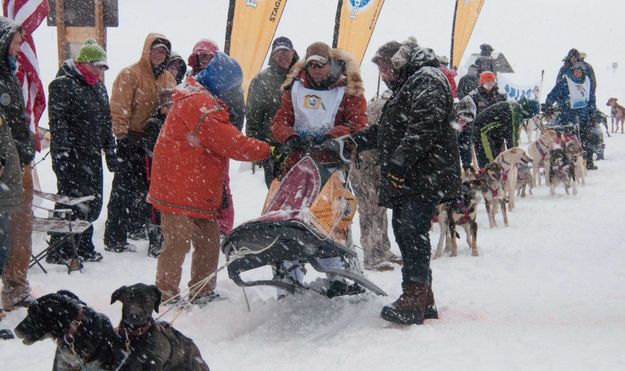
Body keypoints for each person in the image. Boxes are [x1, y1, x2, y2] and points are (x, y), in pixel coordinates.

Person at [148, 52, 281, 303]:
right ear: (221, 82)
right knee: (177, 244)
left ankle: (202, 291)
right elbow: (232, 143)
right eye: (231, 86)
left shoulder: (199, 98)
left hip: (194, 187)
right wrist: (268, 150)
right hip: (179, 186)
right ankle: (165, 295)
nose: (233, 92)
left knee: (208, 241)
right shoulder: (200, 105)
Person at [352, 38, 461, 325]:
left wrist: (399, 164)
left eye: (385, 69)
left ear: (398, 62)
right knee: (406, 232)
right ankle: (424, 298)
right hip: (414, 175)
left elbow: (423, 128)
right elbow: (389, 129)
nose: (384, 77)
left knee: (412, 233)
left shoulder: (427, 79)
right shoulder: (409, 84)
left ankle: (413, 299)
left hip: (424, 174)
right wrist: (352, 142)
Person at [271, 41, 368, 297]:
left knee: (330, 218)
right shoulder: (295, 88)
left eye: (320, 65)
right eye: (311, 65)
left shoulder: (347, 89)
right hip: (298, 163)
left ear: (330, 64)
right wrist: (289, 136)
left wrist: (332, 135)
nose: (315, 70)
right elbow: (280, 120)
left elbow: (359, 122)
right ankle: (288, 271)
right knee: (290, 216)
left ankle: (339, 272)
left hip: (331, 162)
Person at [105, 33, 176, 252]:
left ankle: (138, 228)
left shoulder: (168, 79)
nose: (159, 54)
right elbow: (119, 107)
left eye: (163, 51)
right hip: (132, 138)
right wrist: (122, 136)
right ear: (147, 51)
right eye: (155, 50)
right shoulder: (130, 74)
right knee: (122, 191)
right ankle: (114, 238)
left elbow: (174, 107)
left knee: (149, 191)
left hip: (157, 142)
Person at [46, 39, 115, 264]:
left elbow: (106, 122)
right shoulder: (62, 85)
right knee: (71, 203)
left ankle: (83, 245)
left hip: (92, 155)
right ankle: (60, 249)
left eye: (102, 67)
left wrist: (110, 148)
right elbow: (59, 123)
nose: (99, 71)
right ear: (81, 63)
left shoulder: (99, 87)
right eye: (96, 66)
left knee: (91, 203)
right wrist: (63, 154)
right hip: (71, 155)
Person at [188, 39, 243, 235]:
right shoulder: (190, 81)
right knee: (194, 184)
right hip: (194, 145)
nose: (205, 61)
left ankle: (223, 226)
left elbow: (237, 114)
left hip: (218, 144)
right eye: (202, 56)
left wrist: (225, 136)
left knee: (221, 185)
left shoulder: (228, 84)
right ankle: (197, 224)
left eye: (209, 57)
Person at [0, 16, 36, 312]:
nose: (19, 45)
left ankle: (17, 287)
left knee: (21, 229)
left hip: (19, 163)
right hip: (3, 167)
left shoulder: (9, 74)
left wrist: (25, 150)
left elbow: (17, 120)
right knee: (3, 232)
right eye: (15, 40)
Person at [350, 90, 402, 271]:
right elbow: (376, 134)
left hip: (375, 162)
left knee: (380, 206)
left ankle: (383, 250)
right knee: (370, 208)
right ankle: (372, 255)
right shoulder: (387, 106)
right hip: (364, 163)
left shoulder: (393, 102)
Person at [246, 36, 298, 187]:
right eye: (278, 52)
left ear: (293, 53)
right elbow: (253, 116)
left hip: (301, 147)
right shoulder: (261, 80)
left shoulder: (303, 76)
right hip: (274, 150)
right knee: (277, 197)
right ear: (273, 55)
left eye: (286, 52)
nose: (282, 56)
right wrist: (255, 148)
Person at [545, 61, 597, 170]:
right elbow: (553, 94)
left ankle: (587, 161)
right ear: (572, 71)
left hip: (584, 115)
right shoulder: (565, 82)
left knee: (586, 139)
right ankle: (565, 161)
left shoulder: (587, 81)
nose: (577, 73)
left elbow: (591, 98)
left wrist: (592, 112)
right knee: (567, 140)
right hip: (567, 115)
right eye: (575, 71)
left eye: (580, 71)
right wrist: (548, 105)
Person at [142, 89, 173, 257]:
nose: (171, 109)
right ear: (161, 108)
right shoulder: (154, 124)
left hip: (171, 172)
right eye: (168, 106)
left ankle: (165, 239)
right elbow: (150, 149)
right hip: (155, 172)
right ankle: (154, 242)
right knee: (155, 208)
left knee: (167, 207)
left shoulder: (175, 123)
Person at [458, 71, 507, 170]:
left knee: (499, 157)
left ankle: (499, 173)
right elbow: (468, 112)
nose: (489, 83)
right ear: (482, 82)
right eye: (487, 80)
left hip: (497, 132)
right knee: (483, 158)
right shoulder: (474, 96)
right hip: (480, 132)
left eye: (491, 80)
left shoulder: (500, 95)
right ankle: (483, 173)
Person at [472, 99, 539, 167]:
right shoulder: (515, 113)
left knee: (497, 160)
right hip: (483, 132)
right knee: (491, 163)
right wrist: (516, 155)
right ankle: (488, 173)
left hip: (492, 133)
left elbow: (505, 131)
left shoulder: (515, 108)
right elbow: (512, 137)